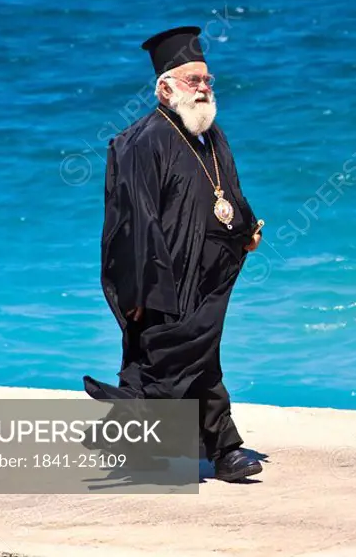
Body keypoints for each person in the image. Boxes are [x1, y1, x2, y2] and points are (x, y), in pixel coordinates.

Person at [82, 25, 263, 482]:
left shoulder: (211, 133)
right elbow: (134, 221)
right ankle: (223, 449)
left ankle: (133, 431)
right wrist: (142, 287)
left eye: (207, 81)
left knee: (194, 354)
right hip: (164, 275)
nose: (203, 89)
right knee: (174, 353)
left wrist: (246, 229)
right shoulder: (141, 142)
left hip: (212, 269)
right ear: (165, 88)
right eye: (192, 81)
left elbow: (229, 191)